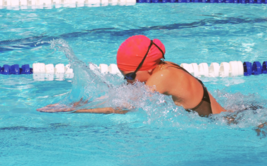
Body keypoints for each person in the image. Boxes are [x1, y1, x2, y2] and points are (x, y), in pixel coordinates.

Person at [38, 35, 226, 116]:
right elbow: (119, 96)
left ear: (147, 68)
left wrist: (74, 111)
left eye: (129, 76)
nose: (128, 82)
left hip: (227, 124)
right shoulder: (160, 67)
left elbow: (125, 107)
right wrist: (77, 103)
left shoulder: (162, 78)